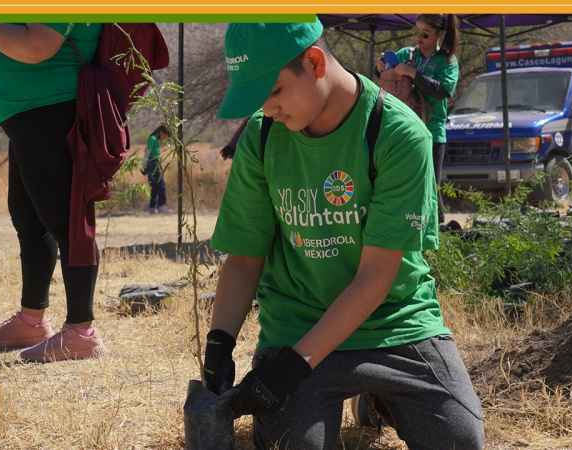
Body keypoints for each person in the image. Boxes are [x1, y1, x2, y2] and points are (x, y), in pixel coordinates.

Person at [203, 20, 484, 450]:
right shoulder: (262, 137)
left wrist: (290, 371)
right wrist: (219, 344)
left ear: (314, 62)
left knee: (459, 442)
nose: (268, 109)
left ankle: (382, 397)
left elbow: (375, 279)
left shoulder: (398, 133)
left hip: (394, 323)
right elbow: (244, 256)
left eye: (274, 91)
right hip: (299, 325)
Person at [0, 23, 106, 362]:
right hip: (30, 115)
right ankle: (31, 320)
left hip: (53, 110)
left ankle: (81, 332)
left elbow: (37, 46)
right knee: (30, 219)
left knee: (66, 220)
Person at [377, 14, 460, 223]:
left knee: (430, 185)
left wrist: (413, 74)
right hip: (404, 131)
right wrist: (381, 66)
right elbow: (385, 75)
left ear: (439, 34)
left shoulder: (447, 61)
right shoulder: (407, 54)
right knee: (406, 182)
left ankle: (437, 231)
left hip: (432, 132)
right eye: (417, 33)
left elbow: (442, 91)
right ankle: (410, 227)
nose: (419, 39)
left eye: (425, 34)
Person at [142, 125, 171, 214]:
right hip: (153, 164)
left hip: (155, 163)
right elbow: (147, 152)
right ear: (161, 132)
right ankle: (161, 206)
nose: (164, 138)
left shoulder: (155, 140)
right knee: (161, 185)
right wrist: (144, 165)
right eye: (165, 136)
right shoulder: (153, 139)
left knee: (155, 186)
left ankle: (152, 208)